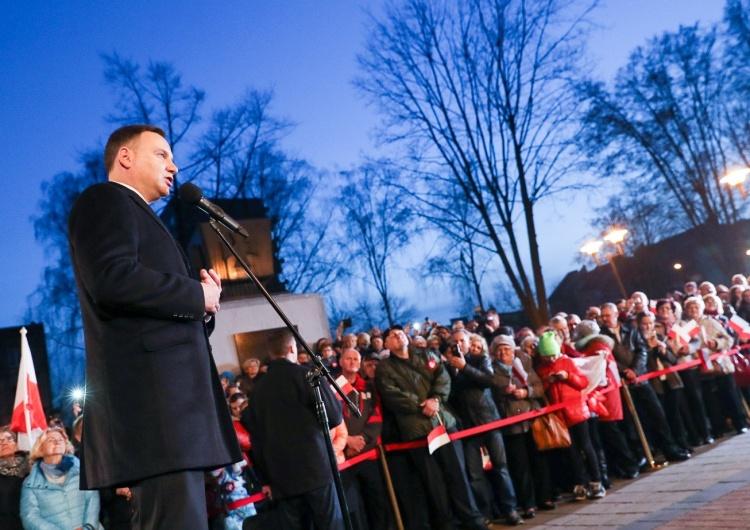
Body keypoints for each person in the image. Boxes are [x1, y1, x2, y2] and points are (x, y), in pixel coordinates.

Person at [67, 124, 242, 529]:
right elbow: (111, 277)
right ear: (126, 157)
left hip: (174, 420)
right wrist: (194, 296)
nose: (174, 166)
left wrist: (203, 305)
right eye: (162, 154)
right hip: (156, 419)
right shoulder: (105, 200)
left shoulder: (142, 216)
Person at [375, 326, 492, 530]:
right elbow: (391, 394)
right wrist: (422, 405)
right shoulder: (384, 368)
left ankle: (471, 518)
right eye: (392, 335)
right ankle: (446, 522)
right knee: (434, 481)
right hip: (416, 430)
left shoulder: (427, 353)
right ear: (386, 344)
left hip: (443, 422)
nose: (398, 335)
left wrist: (436, 399)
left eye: (400, 332)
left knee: (457, 474)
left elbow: (443, 378)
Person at [246, 329, 345, 529]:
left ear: (271, 354)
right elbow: (334, 416)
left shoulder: (257, 390)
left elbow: (256, 439)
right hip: (316, 471)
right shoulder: (307, 374)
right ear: (292, 348)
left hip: (281, 479)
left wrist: (265, 478)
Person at [446, 331, 523, 525]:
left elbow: (489, 381)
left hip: (488, 419)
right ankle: (486, 513)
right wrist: (455, 368)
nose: (458, 344)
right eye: (454, 342)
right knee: (474, 475)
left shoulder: (480, 359)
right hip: (467, 426)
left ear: (468, 342)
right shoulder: (447, 368)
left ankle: (510, 509)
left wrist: (465, 367)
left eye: (461, 340)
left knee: (500, 467)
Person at [535, 331, 605, 501]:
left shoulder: (567, 362)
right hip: (560, 415)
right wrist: (547, 382)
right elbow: (540, 391)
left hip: (577, 412)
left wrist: (568, 376)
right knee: (572, 451)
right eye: (547, 356)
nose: (551, 360)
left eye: (553, 355)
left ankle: (597, 481)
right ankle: (581, 483)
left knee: (587, 447)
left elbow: (583, 383)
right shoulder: (541, 369)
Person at [338, 348, 391, 530]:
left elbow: (377, 418)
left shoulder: (369, 387)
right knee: (354, 507)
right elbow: (330, 421)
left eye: (356, 359)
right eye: (348, 358)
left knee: (377, 502)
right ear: (340, 361)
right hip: (345, 457)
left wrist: (360, 440)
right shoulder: (330, 388)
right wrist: (347, 441)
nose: (352, 362)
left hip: (369, 455)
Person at [20, 427, 103, 530]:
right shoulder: (30, 483)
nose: (57, 442)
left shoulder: (82, 470)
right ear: (41, 448)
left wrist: (88, 527)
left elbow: (92, 500)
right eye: (51, 440)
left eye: (60, 439)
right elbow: (30, 517)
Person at [0, 428, 30, 530]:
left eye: (9, 439)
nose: (4, 443)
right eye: (0, 441)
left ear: (17, 444)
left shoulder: (31, 467)